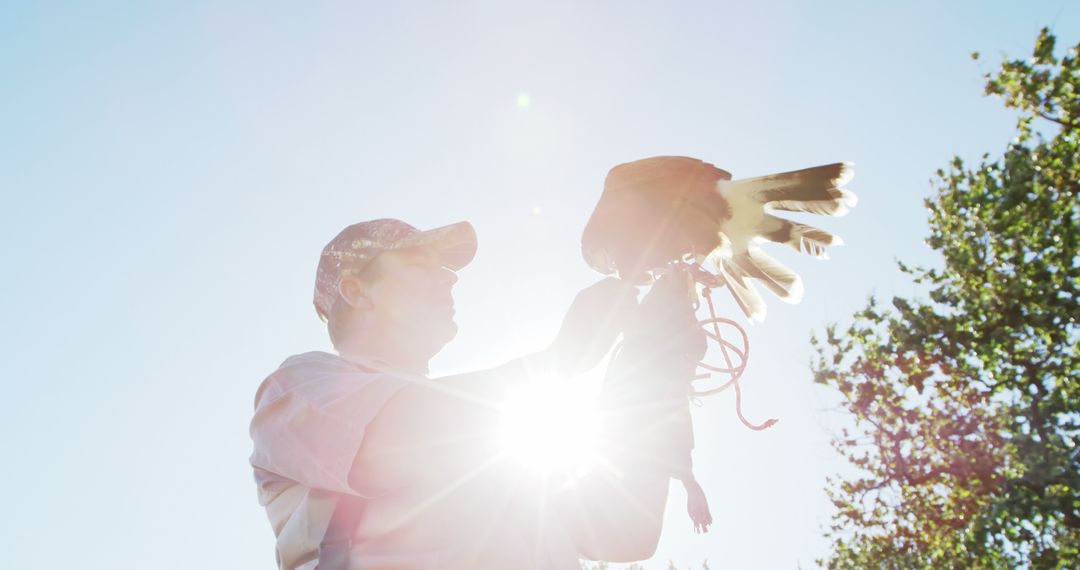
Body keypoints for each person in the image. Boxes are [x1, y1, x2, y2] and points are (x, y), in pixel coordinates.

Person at [250, 218, 671, 570]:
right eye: (419, 265)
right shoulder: (299, 386)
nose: (449, 278)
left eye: (445, 269)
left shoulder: (482, 435)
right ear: (357, 291)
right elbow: (402, 439)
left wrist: (653, 372)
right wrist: (559, 359)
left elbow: (627, 531)